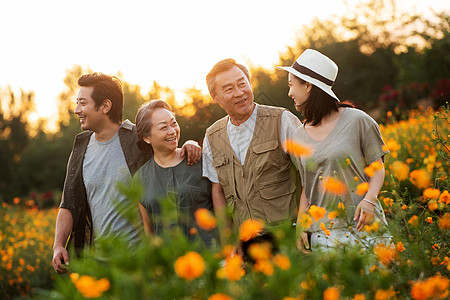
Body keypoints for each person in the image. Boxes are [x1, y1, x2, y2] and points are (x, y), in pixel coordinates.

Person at [52, 73, 201, 274]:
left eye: (82, 103)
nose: (76, 109)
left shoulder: (138, 140)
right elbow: (68, 202)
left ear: (105, 106)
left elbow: (169, 152)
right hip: (99, 262)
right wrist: (58, 245)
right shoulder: (81, 147)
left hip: (142, 262)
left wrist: (190, 145)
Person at [277, 49, 389, 250]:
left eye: (291, 85)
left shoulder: (358, 120)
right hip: (325, 235)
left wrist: (370, 201)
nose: (289, 92)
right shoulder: (297, 137)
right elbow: (306, 187)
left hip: (365, 224)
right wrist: (301, 225)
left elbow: (378, 167)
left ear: (308, 85)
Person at [202, 58, 302, 242]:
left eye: (242, 83)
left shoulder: (282, 120)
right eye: (229, 89)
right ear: (214, 96)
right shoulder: (211, 137)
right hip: (245, 241)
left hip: (288, 234)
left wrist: (305, 226)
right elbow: (217, 191)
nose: (239, 93)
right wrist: (229, 241)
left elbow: (309, 175)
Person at [135, 100, 216, 247]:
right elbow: (148, 231)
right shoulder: (140, 178)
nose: (172, 131)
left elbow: (223, 207)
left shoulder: (200, 161)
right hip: (169, 264)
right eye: (163, 127)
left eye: (173, 123)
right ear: (147, 138)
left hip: (209, 258)